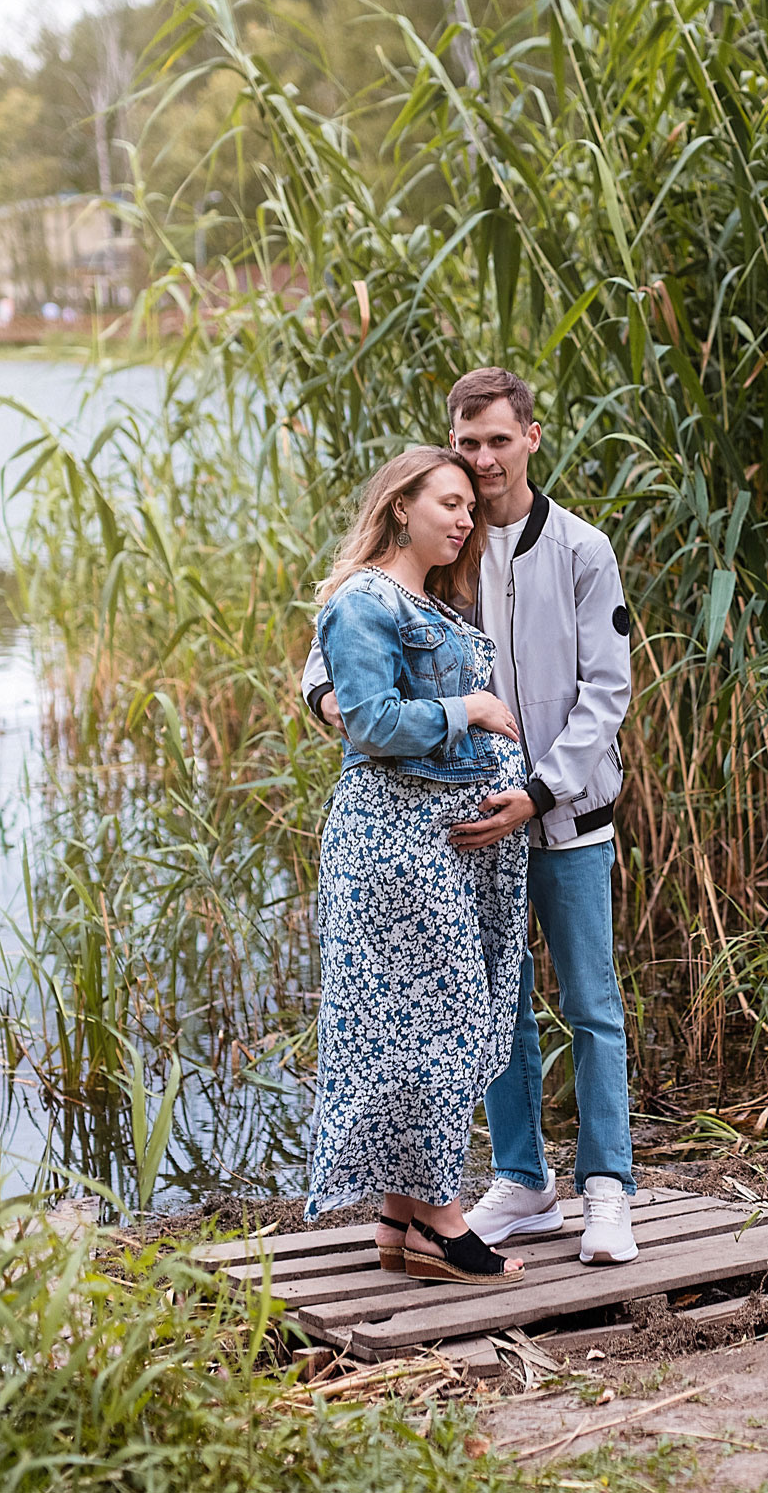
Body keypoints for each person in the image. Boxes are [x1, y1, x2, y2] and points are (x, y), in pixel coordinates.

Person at [304, 367, 638, 1263]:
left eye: (497, 439)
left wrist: (537, 790)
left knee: (591, 1003)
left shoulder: (579, 548)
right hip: (456, 834)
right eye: (466, 444)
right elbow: (341, 639)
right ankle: (523, 1183)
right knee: (498, 1005)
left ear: (531, 435)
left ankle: (607, 1186)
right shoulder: (440, 547)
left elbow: (607, 692)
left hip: (560, 814)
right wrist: (333, 701)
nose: (482, 460)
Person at [302, 445, 533, 1285]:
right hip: (396, 843)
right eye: (447, 502)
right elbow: (367, 720)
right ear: (401, 505)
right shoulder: (366, 599)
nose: (464, 518)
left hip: (435, 843)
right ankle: (441, 1216)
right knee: (438, 1021)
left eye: (470, 507)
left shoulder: (421, 598)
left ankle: (399, 1222)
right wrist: (467, 706)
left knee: (423, 1023)